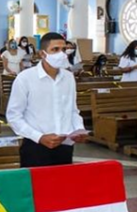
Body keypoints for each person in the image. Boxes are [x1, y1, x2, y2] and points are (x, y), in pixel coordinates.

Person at [7, 32, 87, 168]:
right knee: (35, 188)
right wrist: (39, 137)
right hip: (36, 146)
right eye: (55, 50)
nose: (61, 54)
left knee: (61, 187)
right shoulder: (25, 78)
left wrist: (78, 130)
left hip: (64, 145)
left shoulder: (68, 77)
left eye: (63, 49)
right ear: (42, 54)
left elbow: (72, 110)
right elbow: (14, 116)